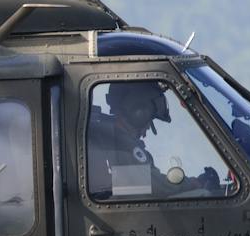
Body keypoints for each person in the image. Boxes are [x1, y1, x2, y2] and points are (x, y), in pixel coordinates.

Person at [89, 81, 222, 200]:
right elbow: (153, 185)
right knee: (203, 195)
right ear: (139, 112)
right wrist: (191, 184)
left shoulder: (110, 137)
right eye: (149, 120)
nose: (147, 129)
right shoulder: (121, 143)